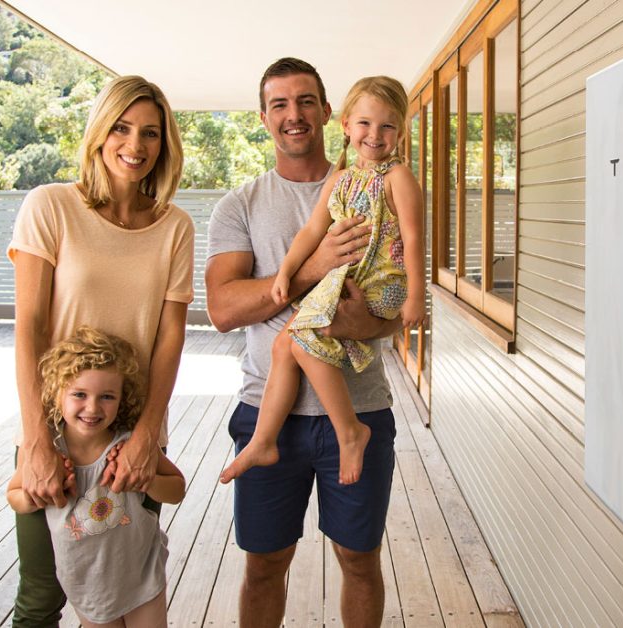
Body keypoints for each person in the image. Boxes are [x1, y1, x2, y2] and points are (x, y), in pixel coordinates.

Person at [205, 58, 401, 628]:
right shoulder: (239, 205)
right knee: (265, 565)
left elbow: (393, 304)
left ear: (328, 112)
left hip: (360, 404)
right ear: (263, 116)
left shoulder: (377, 188)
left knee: (359, 560)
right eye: (280, 104)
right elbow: (222, 308)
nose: (294, 115)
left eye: (306, 101)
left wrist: (362, 323)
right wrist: (313, 267)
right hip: (268, 411)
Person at [8, 75, 194, 626]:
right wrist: (36, 441)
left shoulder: (175, 227)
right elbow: (29, 328)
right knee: (42, 597)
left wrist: (145, 437)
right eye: (121, 128)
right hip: (58, 433)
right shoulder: (49, 207)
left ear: (165, 145)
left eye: (151, 134)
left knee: (132, 592)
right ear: (98, 133)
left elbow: (170, 338)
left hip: (132, 441)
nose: (135, 146)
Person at [219, 76, 424, 486]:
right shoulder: (341, 179)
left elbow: (415, 236)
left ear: (400, 134)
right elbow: (311, 233)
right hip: (353, 279)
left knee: (298, 341)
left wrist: (417, 296)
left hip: (378, 282)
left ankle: (350, 432)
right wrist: (285, 273)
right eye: (365, 124)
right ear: (346, 125)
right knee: (284, 346)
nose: (375, 135)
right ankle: (263, 440)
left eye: (387, 127)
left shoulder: (397, 177)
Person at [7, 327, 185, 628]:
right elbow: (15, 496)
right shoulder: (45, 451)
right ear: (56, 391)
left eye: (107, 397)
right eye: (79, 394)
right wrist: (38, 494)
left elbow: (177, 489)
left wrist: (148, 482)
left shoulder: (129, 445)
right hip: (84, 581)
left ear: (121, 399)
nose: (92, 407)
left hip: (140, 575)